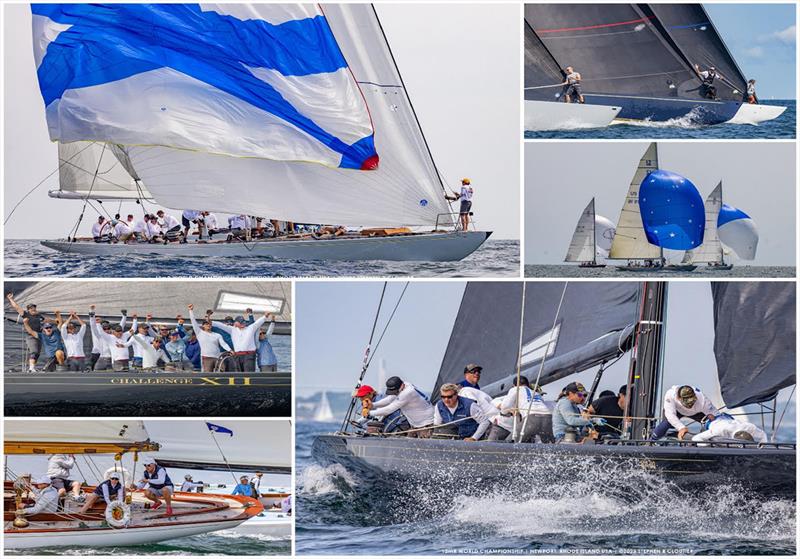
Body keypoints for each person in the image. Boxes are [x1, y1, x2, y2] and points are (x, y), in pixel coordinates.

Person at [492, 376, 554, 443]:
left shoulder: (515, 389)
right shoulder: (536, 393)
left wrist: (504, 413)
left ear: (514, 385)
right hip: (548, 417)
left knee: (512, 443)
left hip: (532, 418)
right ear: (528, 384)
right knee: (548, 445)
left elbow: (505, 406)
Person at [366, 376, 434, 437]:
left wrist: (369, 413)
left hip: (426, 424)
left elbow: (389, 409)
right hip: (415, 424)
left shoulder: (407, 393)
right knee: (407, 444)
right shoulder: (405, 384)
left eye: (394, 391)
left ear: (401, 386)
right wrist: (373, 405)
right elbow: (390, 399)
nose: (394, 393)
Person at [650, 385, 718, 440]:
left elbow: (716, 415)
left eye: (691, 402)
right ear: (678, 398)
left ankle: (706, 442)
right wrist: (681, 427)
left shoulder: (703, 400)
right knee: (665, 424)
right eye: (687, 403)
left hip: (696, 412)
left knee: (711, 423)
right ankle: (651, 441)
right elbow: (670, 415)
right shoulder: (670, 395)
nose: (689, 405)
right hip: (677, 411)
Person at [7, 294, 46, 372]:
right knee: (34, 351)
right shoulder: (26, 314)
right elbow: (17, 307)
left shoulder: (39, 315)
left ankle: (33, 367)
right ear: (28, 310)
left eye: (34, 307)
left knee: (37, 353)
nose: (33, 309)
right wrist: (11, 299)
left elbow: (45, 321)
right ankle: (31, 369)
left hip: (39, 336)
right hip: (31, 336)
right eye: (31, 308)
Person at [187, 305, 232, 372]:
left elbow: (223, 344)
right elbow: (193, 322)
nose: (208, 325)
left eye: (209, 324)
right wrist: (191, 311)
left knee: (222, 371)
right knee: (208, 375)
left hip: (217, 357)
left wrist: (230, 350)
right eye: (206, 324)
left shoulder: (217, 335)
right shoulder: (199, 333)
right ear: (203, 326)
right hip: (206, 358)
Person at [692, 413, 767, 445]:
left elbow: (763, 435)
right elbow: (696, 438)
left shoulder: (750, 427)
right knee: (713, 439)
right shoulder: (719, 430)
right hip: (711, 423)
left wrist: (762, 448)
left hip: (729, 419)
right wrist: (708, 446)